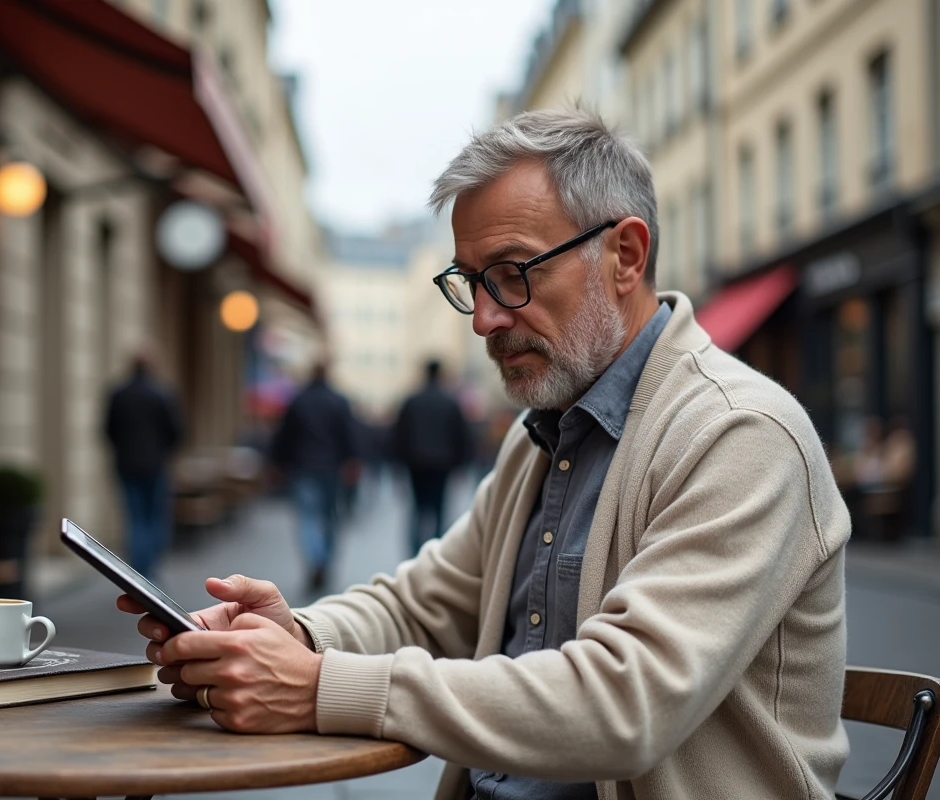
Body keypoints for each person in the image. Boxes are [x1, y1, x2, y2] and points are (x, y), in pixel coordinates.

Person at [118, 108, 852, 800]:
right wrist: (297, 634)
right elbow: (426, 604)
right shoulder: (548, 431)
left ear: (624, 256)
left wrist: (316, 686)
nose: (485, 319)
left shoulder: (740, 432)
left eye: (512, 273)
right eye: (472, 283)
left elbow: (626, 703)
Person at [269, 361, 359, 590]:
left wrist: (277, 463)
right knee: (330, 517)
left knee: (307, 517)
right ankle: (325, 559)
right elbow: (349, 434)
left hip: (303, 467)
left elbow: (284, 435)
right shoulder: (338, 401)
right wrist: (352, 461)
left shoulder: (299, 401)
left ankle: (316, 558)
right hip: (331, 468)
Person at [104, 345, 184, 579]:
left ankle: (138, 568)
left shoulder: (118, 394)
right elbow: (176, 431)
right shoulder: (162, 394)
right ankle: (149, 567)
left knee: (135, 517)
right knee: (154, 517)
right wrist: (163, 451)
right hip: (155, 465)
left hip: (126, 465)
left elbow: (109, 430)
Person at [392, 359, 473, 555]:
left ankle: (415, 550)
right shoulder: (450, 402)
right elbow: (460, 435)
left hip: (416, 462)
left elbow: (400, 434)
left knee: (418, 507)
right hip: (442, 463)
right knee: (439, 507)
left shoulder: (412, 401)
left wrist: (399, 462)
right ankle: (436, 549)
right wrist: (461, 464)